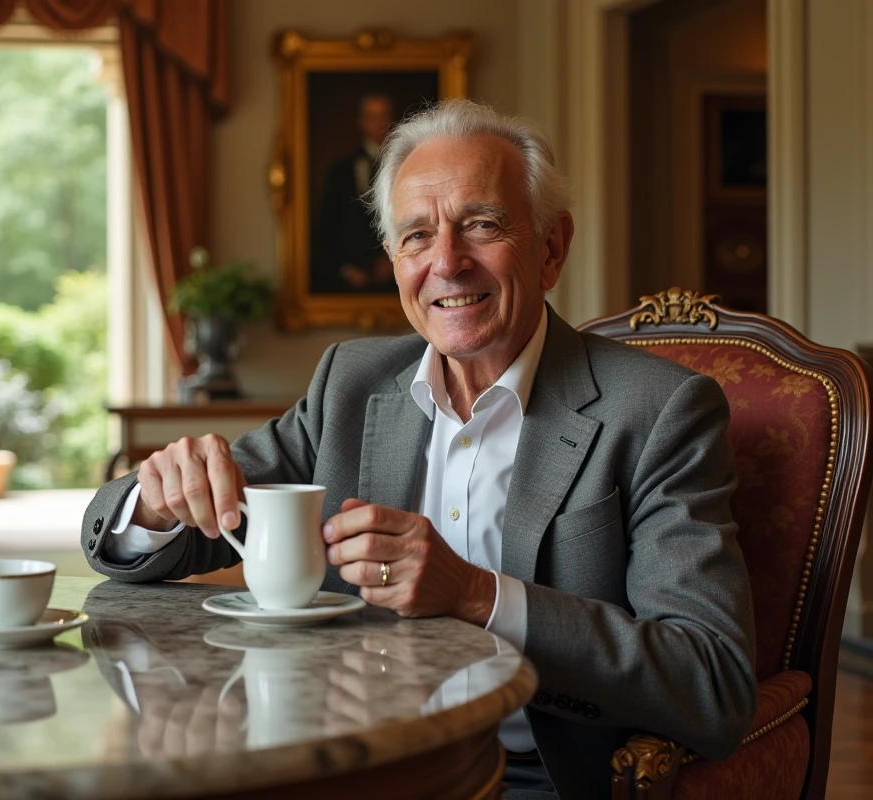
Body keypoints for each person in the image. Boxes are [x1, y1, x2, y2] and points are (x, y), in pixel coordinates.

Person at [81, 99, 757, 799]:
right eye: (416, 236)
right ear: (394, 261)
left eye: (482, 226)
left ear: (551, 249)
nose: (447, 263)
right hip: (349, 766)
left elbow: (711, 681)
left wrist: (475, 594)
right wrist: (157, 501)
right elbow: (183, 523)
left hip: (535, 780)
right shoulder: (351, 383)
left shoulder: (658, 412)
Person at [310, 93, 397, 293]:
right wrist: (347, 269)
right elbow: (329, 223)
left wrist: (393, 260)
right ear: (362, 122)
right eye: (372, 117)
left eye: (384, 116)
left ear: (392, 121)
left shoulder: (407, 166)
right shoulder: (341, 170)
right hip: (350, 279)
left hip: (397, 274)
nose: (379, 123)